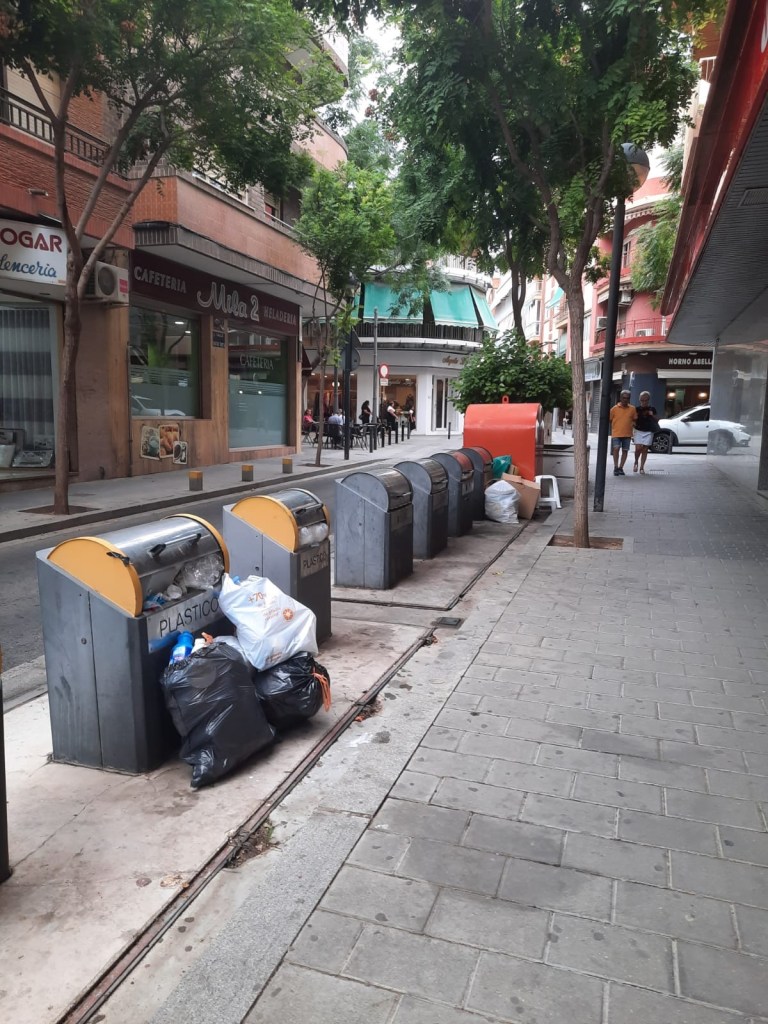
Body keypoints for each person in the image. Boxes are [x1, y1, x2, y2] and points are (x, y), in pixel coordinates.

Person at [609, 389, 636, 476]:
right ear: (620, 398)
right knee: (616, 449)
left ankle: (621, 467)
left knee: (625, 450)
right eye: (624, 398)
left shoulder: (632, 409)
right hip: (616, 433)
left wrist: (633, 425)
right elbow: (610, 420)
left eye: (627, 398)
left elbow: (635, 419)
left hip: (627, 433)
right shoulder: (614, 409)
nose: (625, 400)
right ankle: (615, 467)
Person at [633, 391, 659, 474]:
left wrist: (652, 415)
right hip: (638, 430)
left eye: (646, 400)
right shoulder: (636, 409)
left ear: (648, 400)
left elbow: (657, 419)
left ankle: (642, 467)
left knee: (645, 449)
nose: (644, 402)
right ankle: (636, 461)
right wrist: (634, 421)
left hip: (648, 431)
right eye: (642, 400)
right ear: (639, 400)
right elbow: (633, 419)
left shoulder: (652, 409)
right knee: (638, 449)